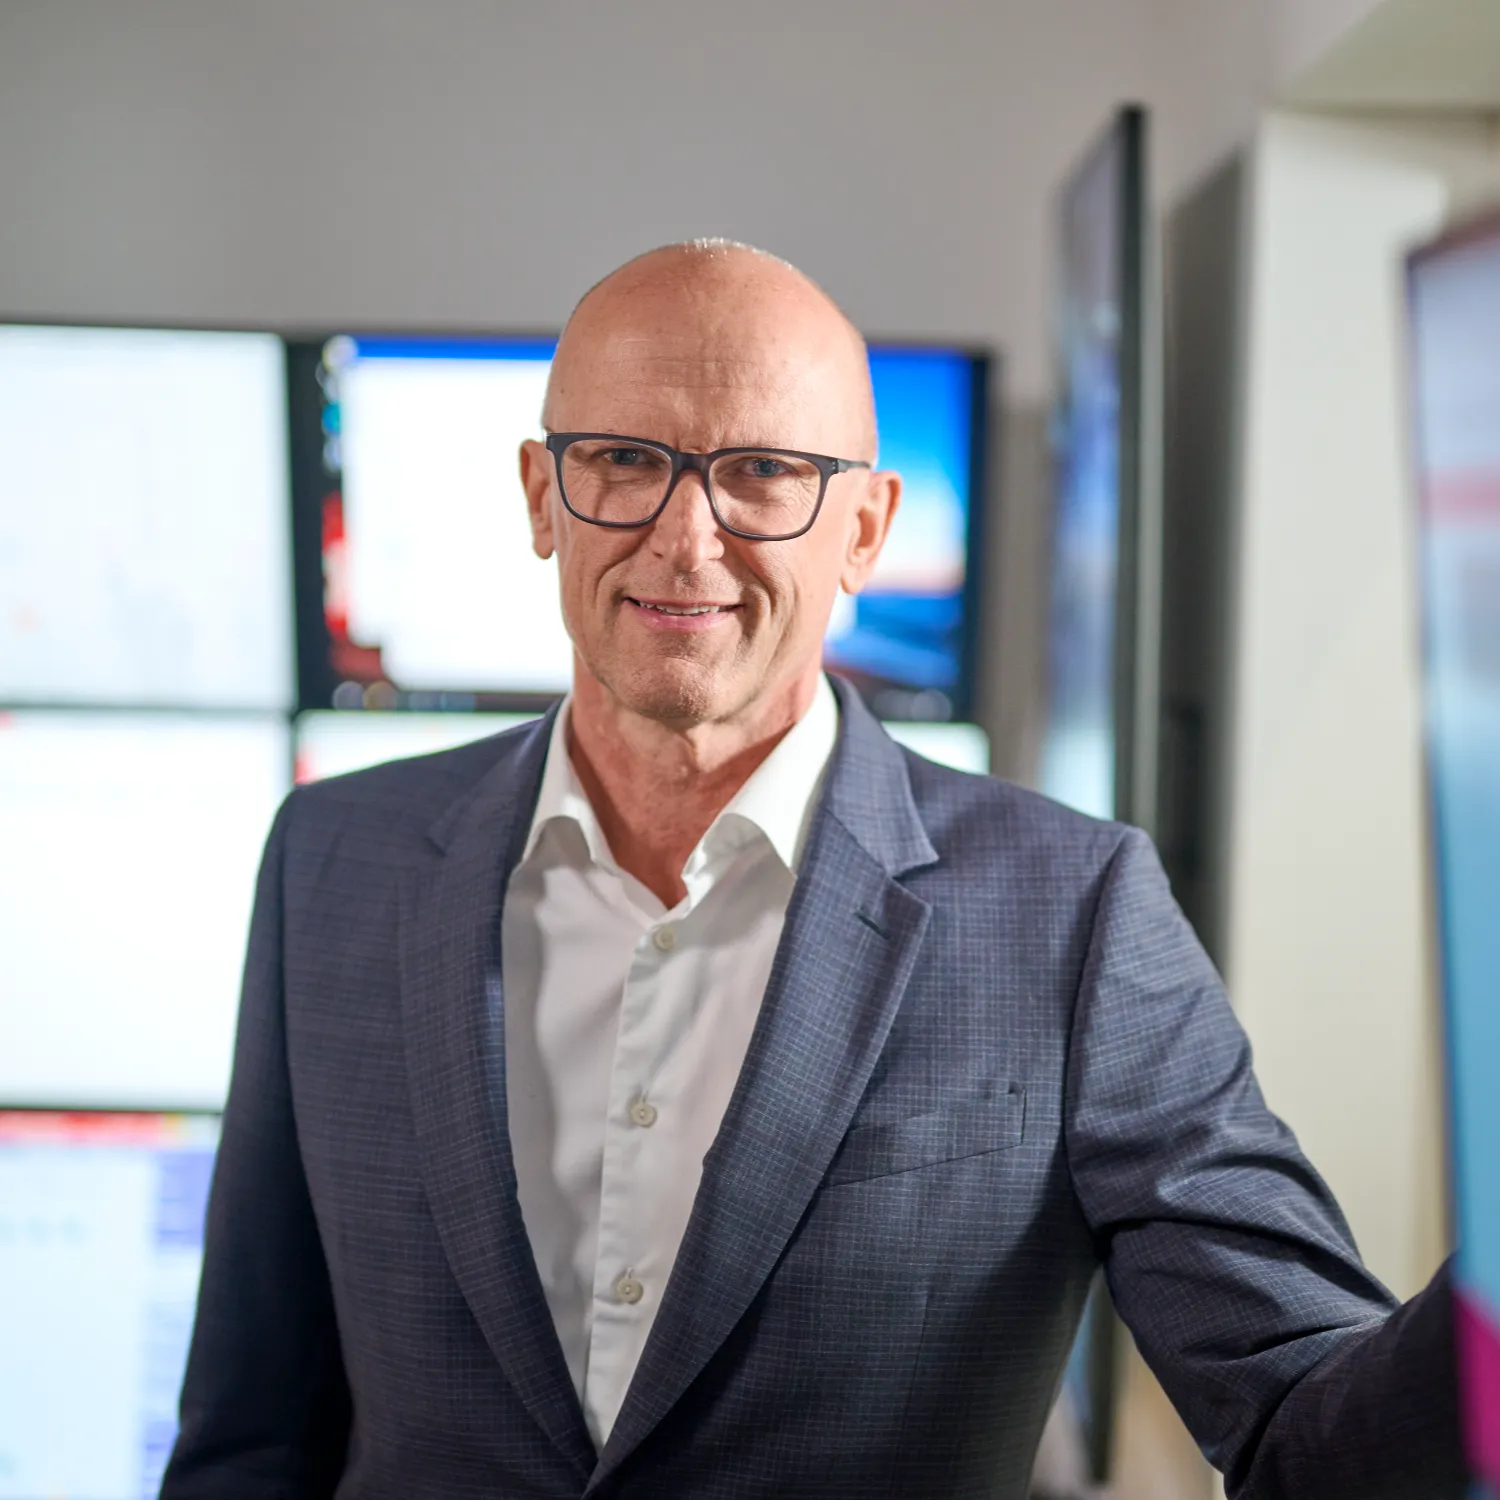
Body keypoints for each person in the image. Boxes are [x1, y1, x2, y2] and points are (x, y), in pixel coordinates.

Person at [161, 241, 1466, 1500]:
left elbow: (1304, 1426)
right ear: (540, 496)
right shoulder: (336, 861)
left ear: (865, 526)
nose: (686, 541)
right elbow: (248, 1436)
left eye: (764, 474)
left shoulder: (1076, 916)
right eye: (623, 460)